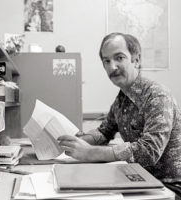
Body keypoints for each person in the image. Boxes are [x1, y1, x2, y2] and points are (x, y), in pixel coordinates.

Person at [58, 32, 181, 199]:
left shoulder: (157, 96)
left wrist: (89, 153)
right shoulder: (121, 99)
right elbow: (104, 131)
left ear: (136, 60)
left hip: (168, 187)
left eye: (119, 58)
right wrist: (74, 141)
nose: (112, 67)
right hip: (139, 180)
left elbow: (149, 151)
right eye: (106, 61)